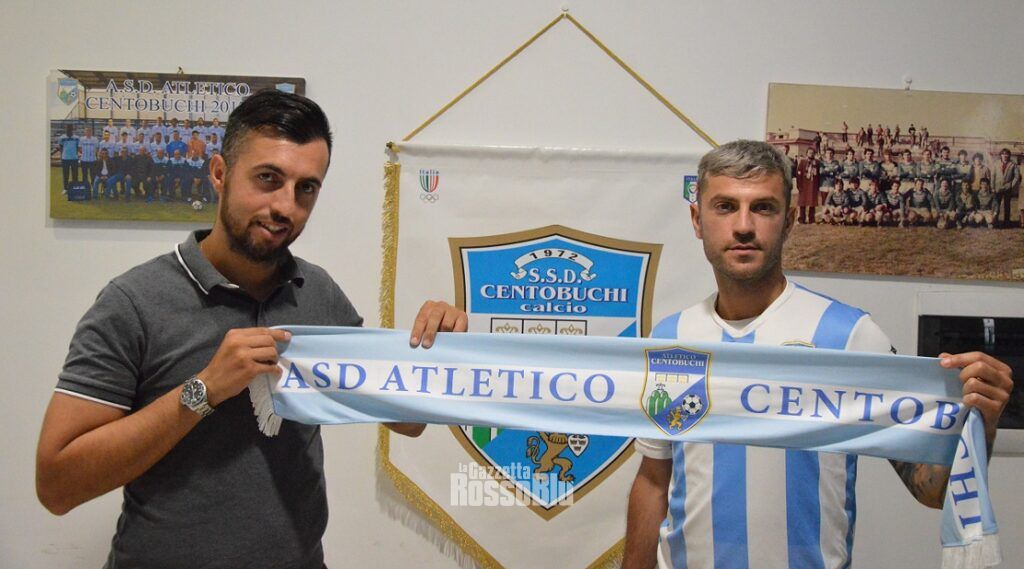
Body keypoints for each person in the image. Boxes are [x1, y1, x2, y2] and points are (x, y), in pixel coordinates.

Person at [35, 90, 466, 569]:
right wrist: (203, 391)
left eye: (306, 188)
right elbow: (57, 485)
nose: (285, 206)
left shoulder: (316, 293)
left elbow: (406, 421)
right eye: (268, 179)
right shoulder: (133, 302)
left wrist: (436, 354)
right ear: (219, 173)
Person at [621, 140, 1012, 569]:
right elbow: (654, 479)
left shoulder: (848, 336)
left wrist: (983, 422)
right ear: (698, 220)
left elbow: (930, 488)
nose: (744, 226)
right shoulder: (671, 339)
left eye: (763, 208)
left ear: (789, 221)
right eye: (726, 207)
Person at [992, 148, 1020, 227]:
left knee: (1007, 205)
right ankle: (995, 221)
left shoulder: (1012, 164)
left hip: (1007, 188)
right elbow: (993, 175)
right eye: (1003, 154)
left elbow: (1017, 176)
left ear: (1009, 155)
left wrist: (1011, 185)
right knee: (996, 205)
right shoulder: (996, 163)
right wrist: (992, 187)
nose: (1005, 156)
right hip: (997, 188)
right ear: (1001, 155)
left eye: (1006, 154)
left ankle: (1007, 222)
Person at [795, 147, 819, 224]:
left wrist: (817, 186)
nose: (811, 154)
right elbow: (798, 174)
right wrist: (799, 185)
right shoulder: (802, 162)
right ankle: (801, 219)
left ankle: (811, 219)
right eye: (809, 153)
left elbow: (818, 175)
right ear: (807, 153)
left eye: (812, 153)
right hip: (804, 184)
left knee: (812, 203)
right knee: (802, 202)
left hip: (812, 184)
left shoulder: (817, 162)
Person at [54, 123, 80, 191]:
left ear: (72, 129)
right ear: (66, 129)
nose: (69, 130)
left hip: (74, 158)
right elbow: (61, 147)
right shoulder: (62, 137)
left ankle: (75, 188)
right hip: (65, 158)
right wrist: (62, 156)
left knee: (75, 175)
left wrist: (75, 154)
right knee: (65, 174)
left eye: (70, 129)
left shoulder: (76, 138)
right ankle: (65, 189)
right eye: (68, 129)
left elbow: (78, 147)